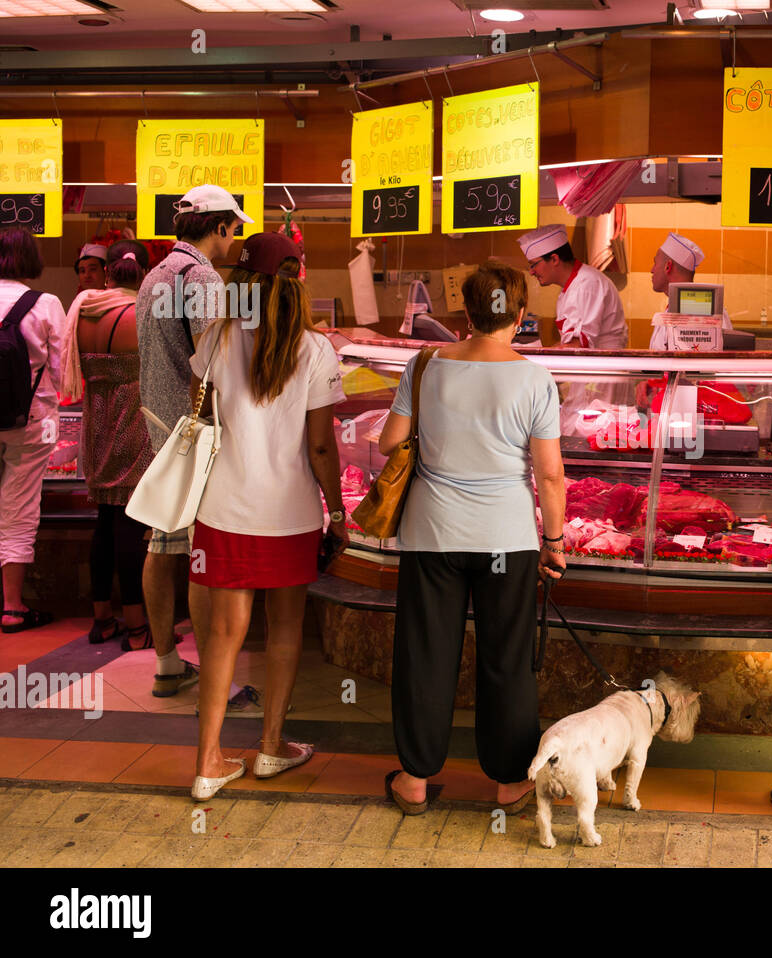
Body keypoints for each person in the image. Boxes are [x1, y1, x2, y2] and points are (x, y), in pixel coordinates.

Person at [379, 262, 566, 816]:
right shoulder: (534, 378)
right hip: (506, 540)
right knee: (506, 660)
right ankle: (510, 783)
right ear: (522, 315)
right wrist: (553, 541)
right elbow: (550, 475)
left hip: (432, 535)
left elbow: (392, 440)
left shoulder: (426, 363)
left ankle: (414, 780)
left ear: (466, 313)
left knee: (425, 655)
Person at [185, 231, 347, 800]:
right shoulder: (316, 350)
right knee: (284, 631)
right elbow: (322, 448)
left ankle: (208, 762)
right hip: (290, 512)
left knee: (224, 636)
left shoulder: (217, 337)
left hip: (223, 508)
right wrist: (341, 511)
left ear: (242, 284)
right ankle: (271, 747)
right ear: (298, 280)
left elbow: (201, 414)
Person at [136, 185, 263, 711]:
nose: (234, 241)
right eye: (234, 230)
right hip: (197, 432)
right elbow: (216, 362)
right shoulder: (203, 278)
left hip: (162, 428)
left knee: (163, 544)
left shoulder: (155, 274)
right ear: (222, 227)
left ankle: (168, 662)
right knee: (201, 556)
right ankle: (217, 677)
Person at [71, 240, 200, 693]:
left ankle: (100, 616)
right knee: (132, 522)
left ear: (109, 273)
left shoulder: (86, 313)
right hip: (133, 420)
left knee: (104, 520)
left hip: (97, 420)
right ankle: (135, 622)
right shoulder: (137, 314)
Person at [0, 228, 67, 634]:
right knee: (19, 510)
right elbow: (63, 372)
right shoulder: (46, 304)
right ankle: (12, 607)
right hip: (33, 421)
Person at [518, 224, 627, 349]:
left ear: (554, 259)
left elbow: (576, 346)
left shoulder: (587, 284)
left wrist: (536, 356)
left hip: (603, 365)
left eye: (533, 265)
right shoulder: (572, 286)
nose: (531, 272)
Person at [647, 232, 733, 350]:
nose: (651, 270)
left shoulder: (704, 307)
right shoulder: (672, 307)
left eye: (655, 263)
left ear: (668, 267)